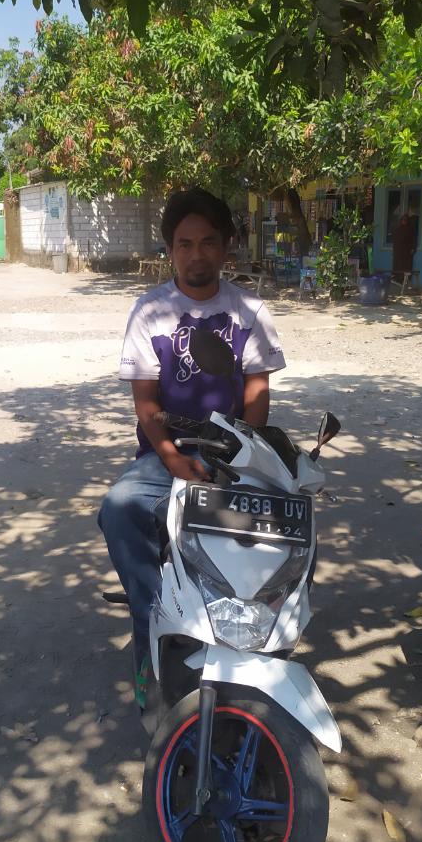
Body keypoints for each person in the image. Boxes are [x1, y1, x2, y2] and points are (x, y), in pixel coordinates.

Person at [97, 188, 286, 706]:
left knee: (285, 532)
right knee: (120, 509)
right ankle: (152, 625)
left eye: (207, 243)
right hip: (166, 455)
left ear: (226, 247)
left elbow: (257, 394)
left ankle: (258, 651)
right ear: (170, 250)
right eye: (184, 244)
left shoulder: (249, 310)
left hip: (234, 455)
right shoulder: (149, 311)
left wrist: (242, 459)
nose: (196, 254)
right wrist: (173, 459)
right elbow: (146, 403)